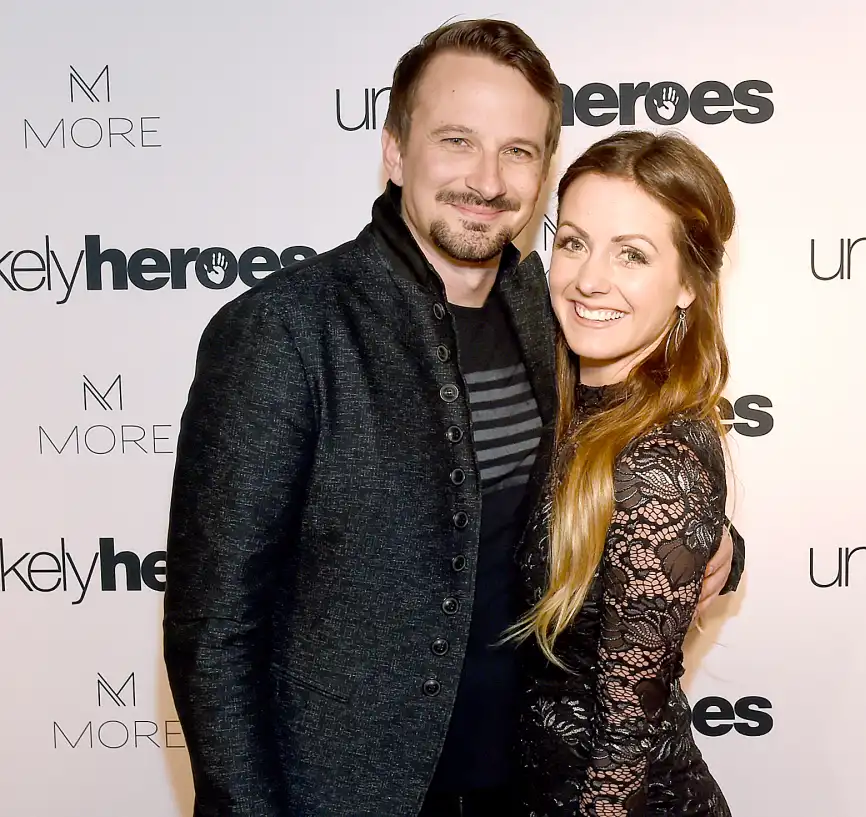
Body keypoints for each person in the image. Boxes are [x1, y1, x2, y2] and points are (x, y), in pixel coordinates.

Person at [162, 19, 744, 817]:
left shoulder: (554, 312)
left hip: (528, 789)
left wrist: (714, 540)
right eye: (457, 140)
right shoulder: (286, 332)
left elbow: (614, 474)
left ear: (542, 171)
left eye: (518, 150)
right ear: (396, 149)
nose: (487, 178)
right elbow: (213, 630)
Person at [512, 130, 737, 816]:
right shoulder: (564, 400)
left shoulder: (657, 466)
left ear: (688, 287)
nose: (589, 278)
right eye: (574, 241)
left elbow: (621, 752)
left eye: (632, 254)